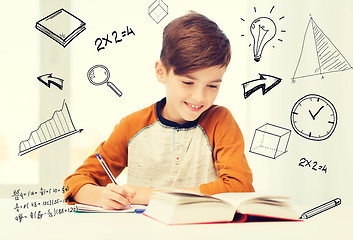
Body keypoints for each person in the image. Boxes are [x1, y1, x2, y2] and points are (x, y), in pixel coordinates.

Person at [63, 11, 254, 210]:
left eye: (212, 86)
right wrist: (102, 196)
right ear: (161, 72)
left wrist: (147, 195)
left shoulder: (220, 121)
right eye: (188, 82)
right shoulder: (132, 126)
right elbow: (73, 183)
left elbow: (239, 187)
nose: (199, 97)